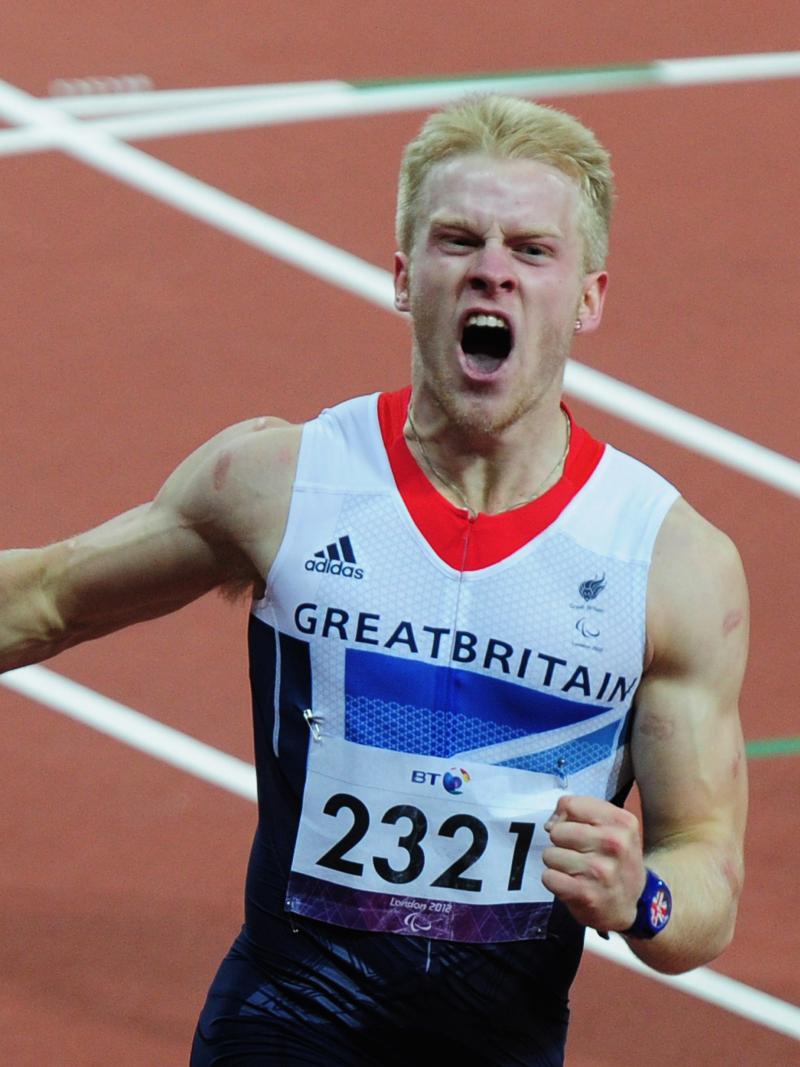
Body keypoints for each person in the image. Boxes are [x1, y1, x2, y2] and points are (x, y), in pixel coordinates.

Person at [0, 94, 748, 1066]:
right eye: (458, 240)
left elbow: (706, 868)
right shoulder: (282, 484)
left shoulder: (671, 563)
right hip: (281, 1024)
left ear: (588, 297)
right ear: (402, 277)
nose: (491, 269)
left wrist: (642, 896)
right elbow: (44, 598)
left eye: (531, 249)